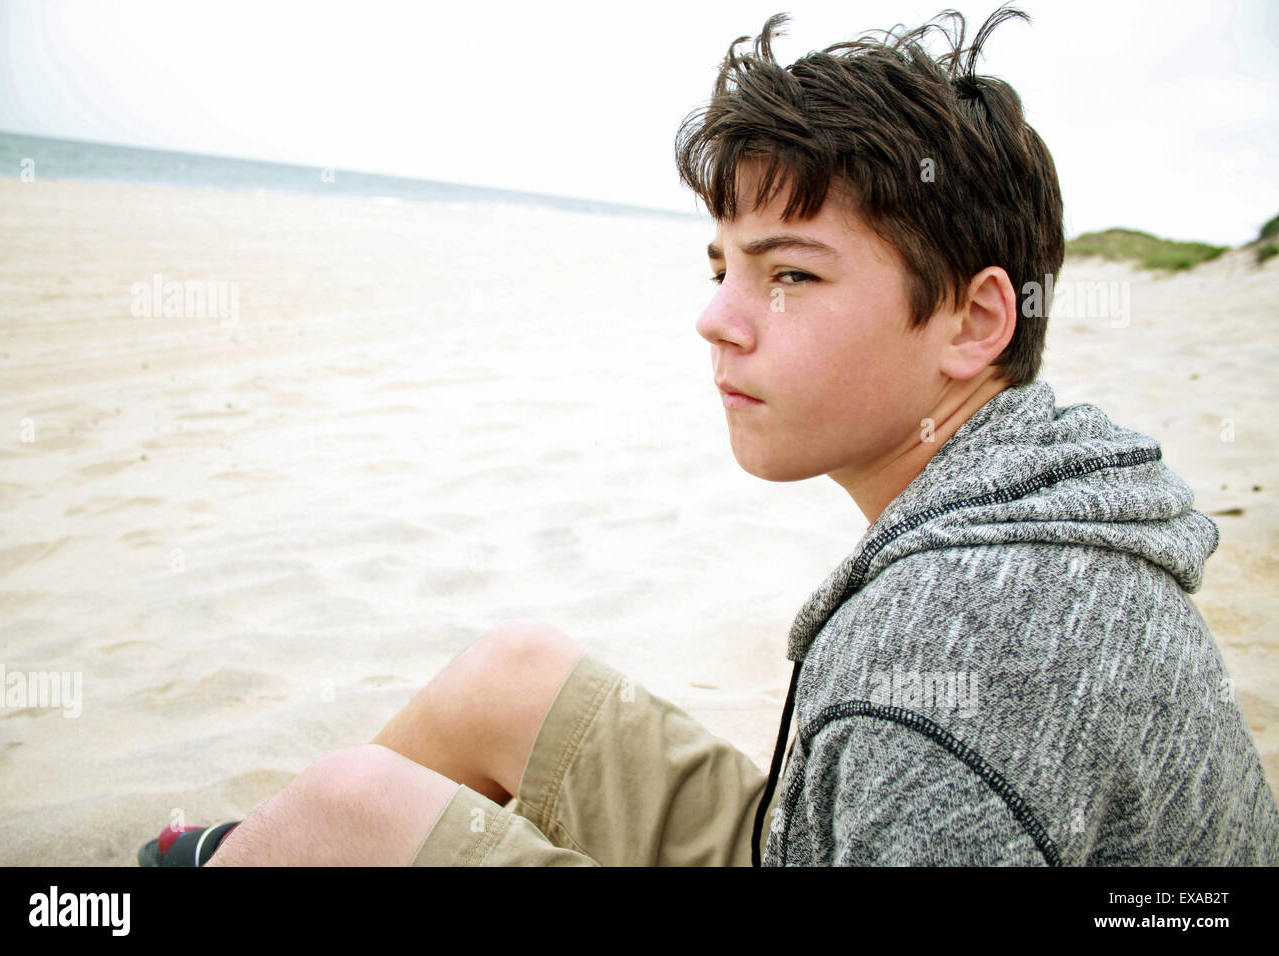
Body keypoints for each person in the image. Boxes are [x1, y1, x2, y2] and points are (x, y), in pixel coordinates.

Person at [141, 5, 1279, 867]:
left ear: (973, 320)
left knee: (360, 807)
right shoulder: (1044, 482)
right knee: (511, 671)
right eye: (721, 264)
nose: (716, 319)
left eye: (789, 273)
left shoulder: (940, 687)